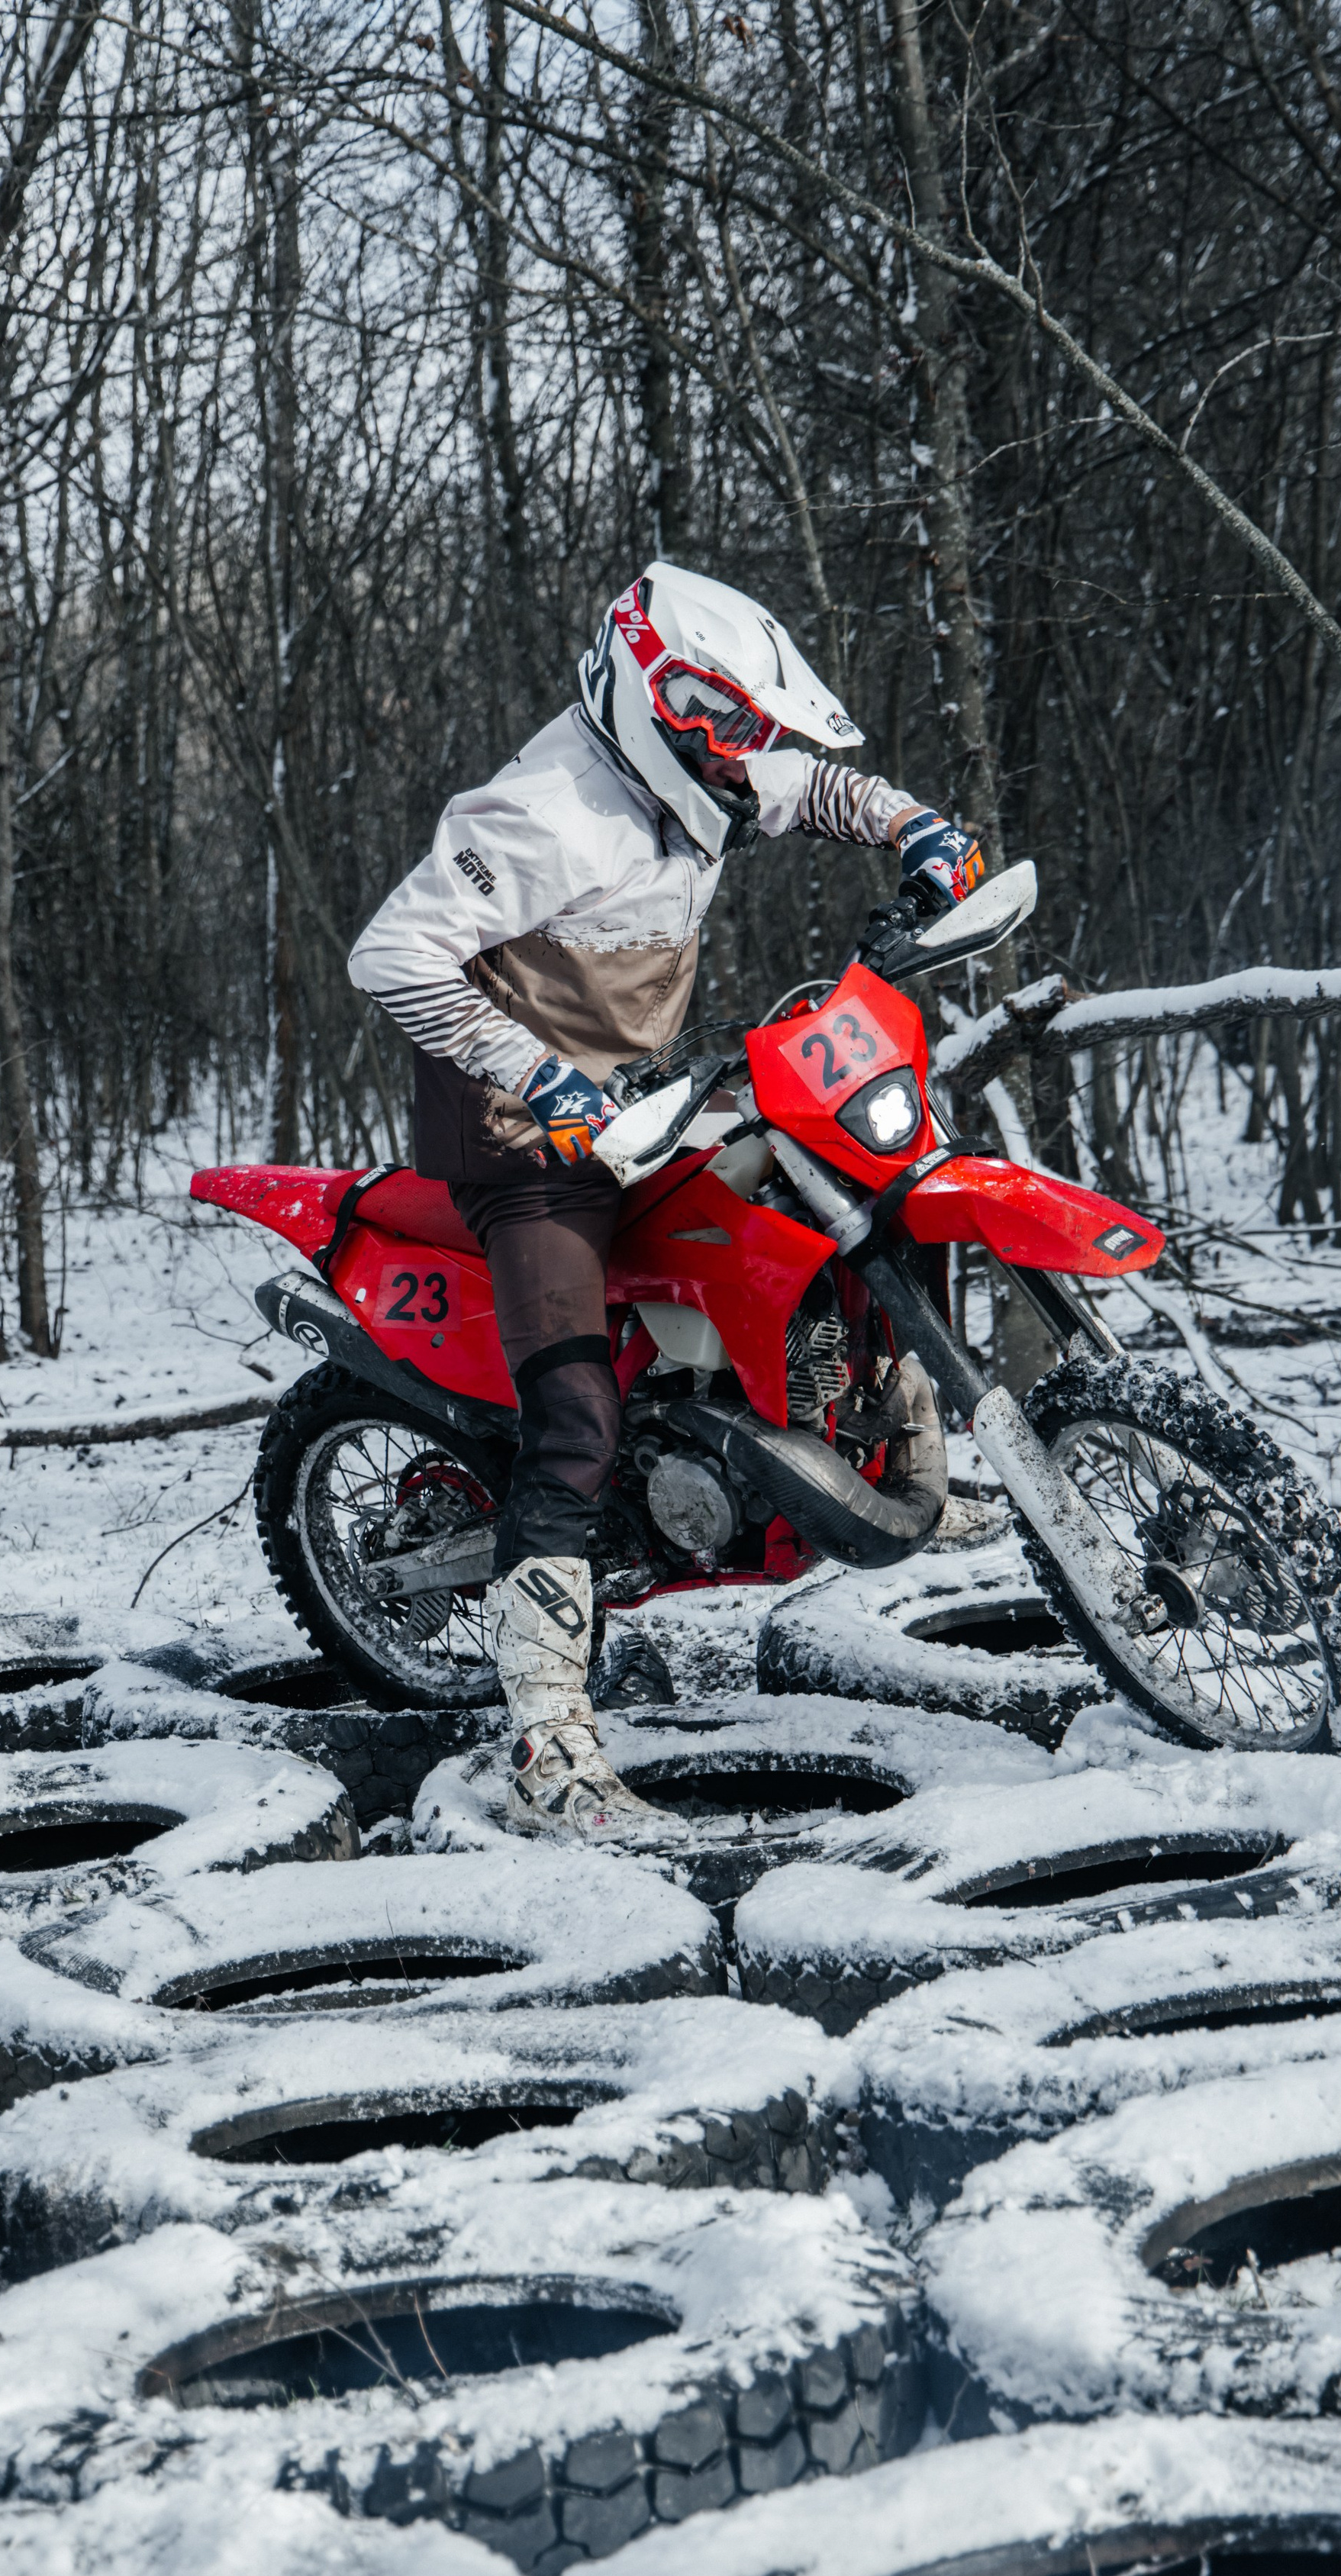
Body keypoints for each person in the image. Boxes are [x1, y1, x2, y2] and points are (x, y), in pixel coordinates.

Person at [348, 564, 983, 1839]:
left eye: (748, 727)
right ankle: (545, 1744)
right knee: (576, 1407)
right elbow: (388, 951)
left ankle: (876, 1463)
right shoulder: (539, 813)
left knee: (833, 1214)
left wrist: (911, 824)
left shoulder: (703, 770)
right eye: (722, 726)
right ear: (654, 702)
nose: (745, 754)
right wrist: (534, 1073)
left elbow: (808, 781)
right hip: (519, 1131)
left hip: (639, 1097)